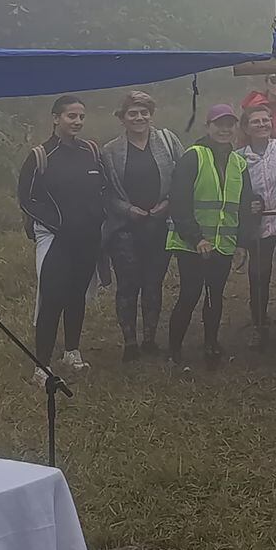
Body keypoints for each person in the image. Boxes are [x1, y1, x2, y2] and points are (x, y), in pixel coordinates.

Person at [19, 95, 111, 382]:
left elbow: (104, 188)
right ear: (56, 118)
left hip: (87, 238)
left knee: (77, 296)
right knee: (52, 299)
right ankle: (41, 367)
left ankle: (72, 352)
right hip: (56, 240)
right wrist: (57, 223)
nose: (78, 122)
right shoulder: (40, 155)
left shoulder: (91, 151)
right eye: (71, 116)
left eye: (81, 117)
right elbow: (26, 199)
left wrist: (99, 215)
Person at [165, 104, 258, 372]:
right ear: (208, 127)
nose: (224, 129)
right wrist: (196, 238)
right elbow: (179, 202)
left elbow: (244, 206)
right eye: (219, 124)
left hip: (224, 244)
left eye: (230, 124)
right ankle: (174, 351)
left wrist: (242, 243)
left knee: (214, 295)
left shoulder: (239, 162)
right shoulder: (193, 157)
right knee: (190, 294)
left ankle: (211, 343)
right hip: (192, 244)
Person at [101, 91, 183, 360]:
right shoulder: (110, 151)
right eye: (132, 113)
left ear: (151, 114)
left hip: (159, 224)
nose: (139, 117)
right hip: (125, 228)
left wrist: (168, 204)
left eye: (144, 112)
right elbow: (105, 192)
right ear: (122, 118)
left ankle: (149, 339)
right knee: (127, 284)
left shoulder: (168, 142)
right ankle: (130, 343)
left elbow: (183, 178)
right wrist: (127, 209)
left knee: (153, 283)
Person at [239, 104, 276, 349]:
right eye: (256, 121)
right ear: (246, 127)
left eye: (266, 120)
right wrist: (248, 207)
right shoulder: (240, 158)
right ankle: (259, 324)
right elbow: (238, 194)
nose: (263, 125)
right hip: (259, 227)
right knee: (259, 276)